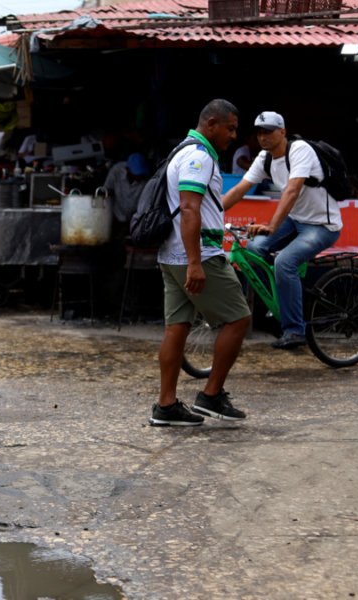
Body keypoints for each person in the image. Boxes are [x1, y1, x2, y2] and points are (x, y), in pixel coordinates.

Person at [151, 98, 251, 427]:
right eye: (230, 128)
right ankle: (210, 396)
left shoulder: (182, 150)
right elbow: (190, 208)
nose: (234, 135)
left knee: (177, 327)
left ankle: (166, 406)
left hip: (171, 254)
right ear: (211, 124)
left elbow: (203, 206)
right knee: (238, 320)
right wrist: (195, 262)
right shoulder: (199, 156)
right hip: (197, 256)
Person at [222, 111, 343, 349]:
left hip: (322, 226)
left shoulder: (299, 150)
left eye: (268, 131)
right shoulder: (265, 158)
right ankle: (280, 300)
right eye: (259, 132)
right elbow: (240, 188)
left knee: (284, 262)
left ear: (283, 132)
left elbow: (292, 190)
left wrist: (272, 225)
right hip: (296, 220)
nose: (263, 137)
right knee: (255, 249)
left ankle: (294, 330)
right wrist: (212, 212)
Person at [103, 152, 151, 231]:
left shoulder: (145, 179)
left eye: (140, 174)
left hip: (134, 219)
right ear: (128, 170)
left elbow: (146, 202)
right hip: (116, 215)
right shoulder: (117, 171)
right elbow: (107, 190)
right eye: (136, 174)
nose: (138, 177)